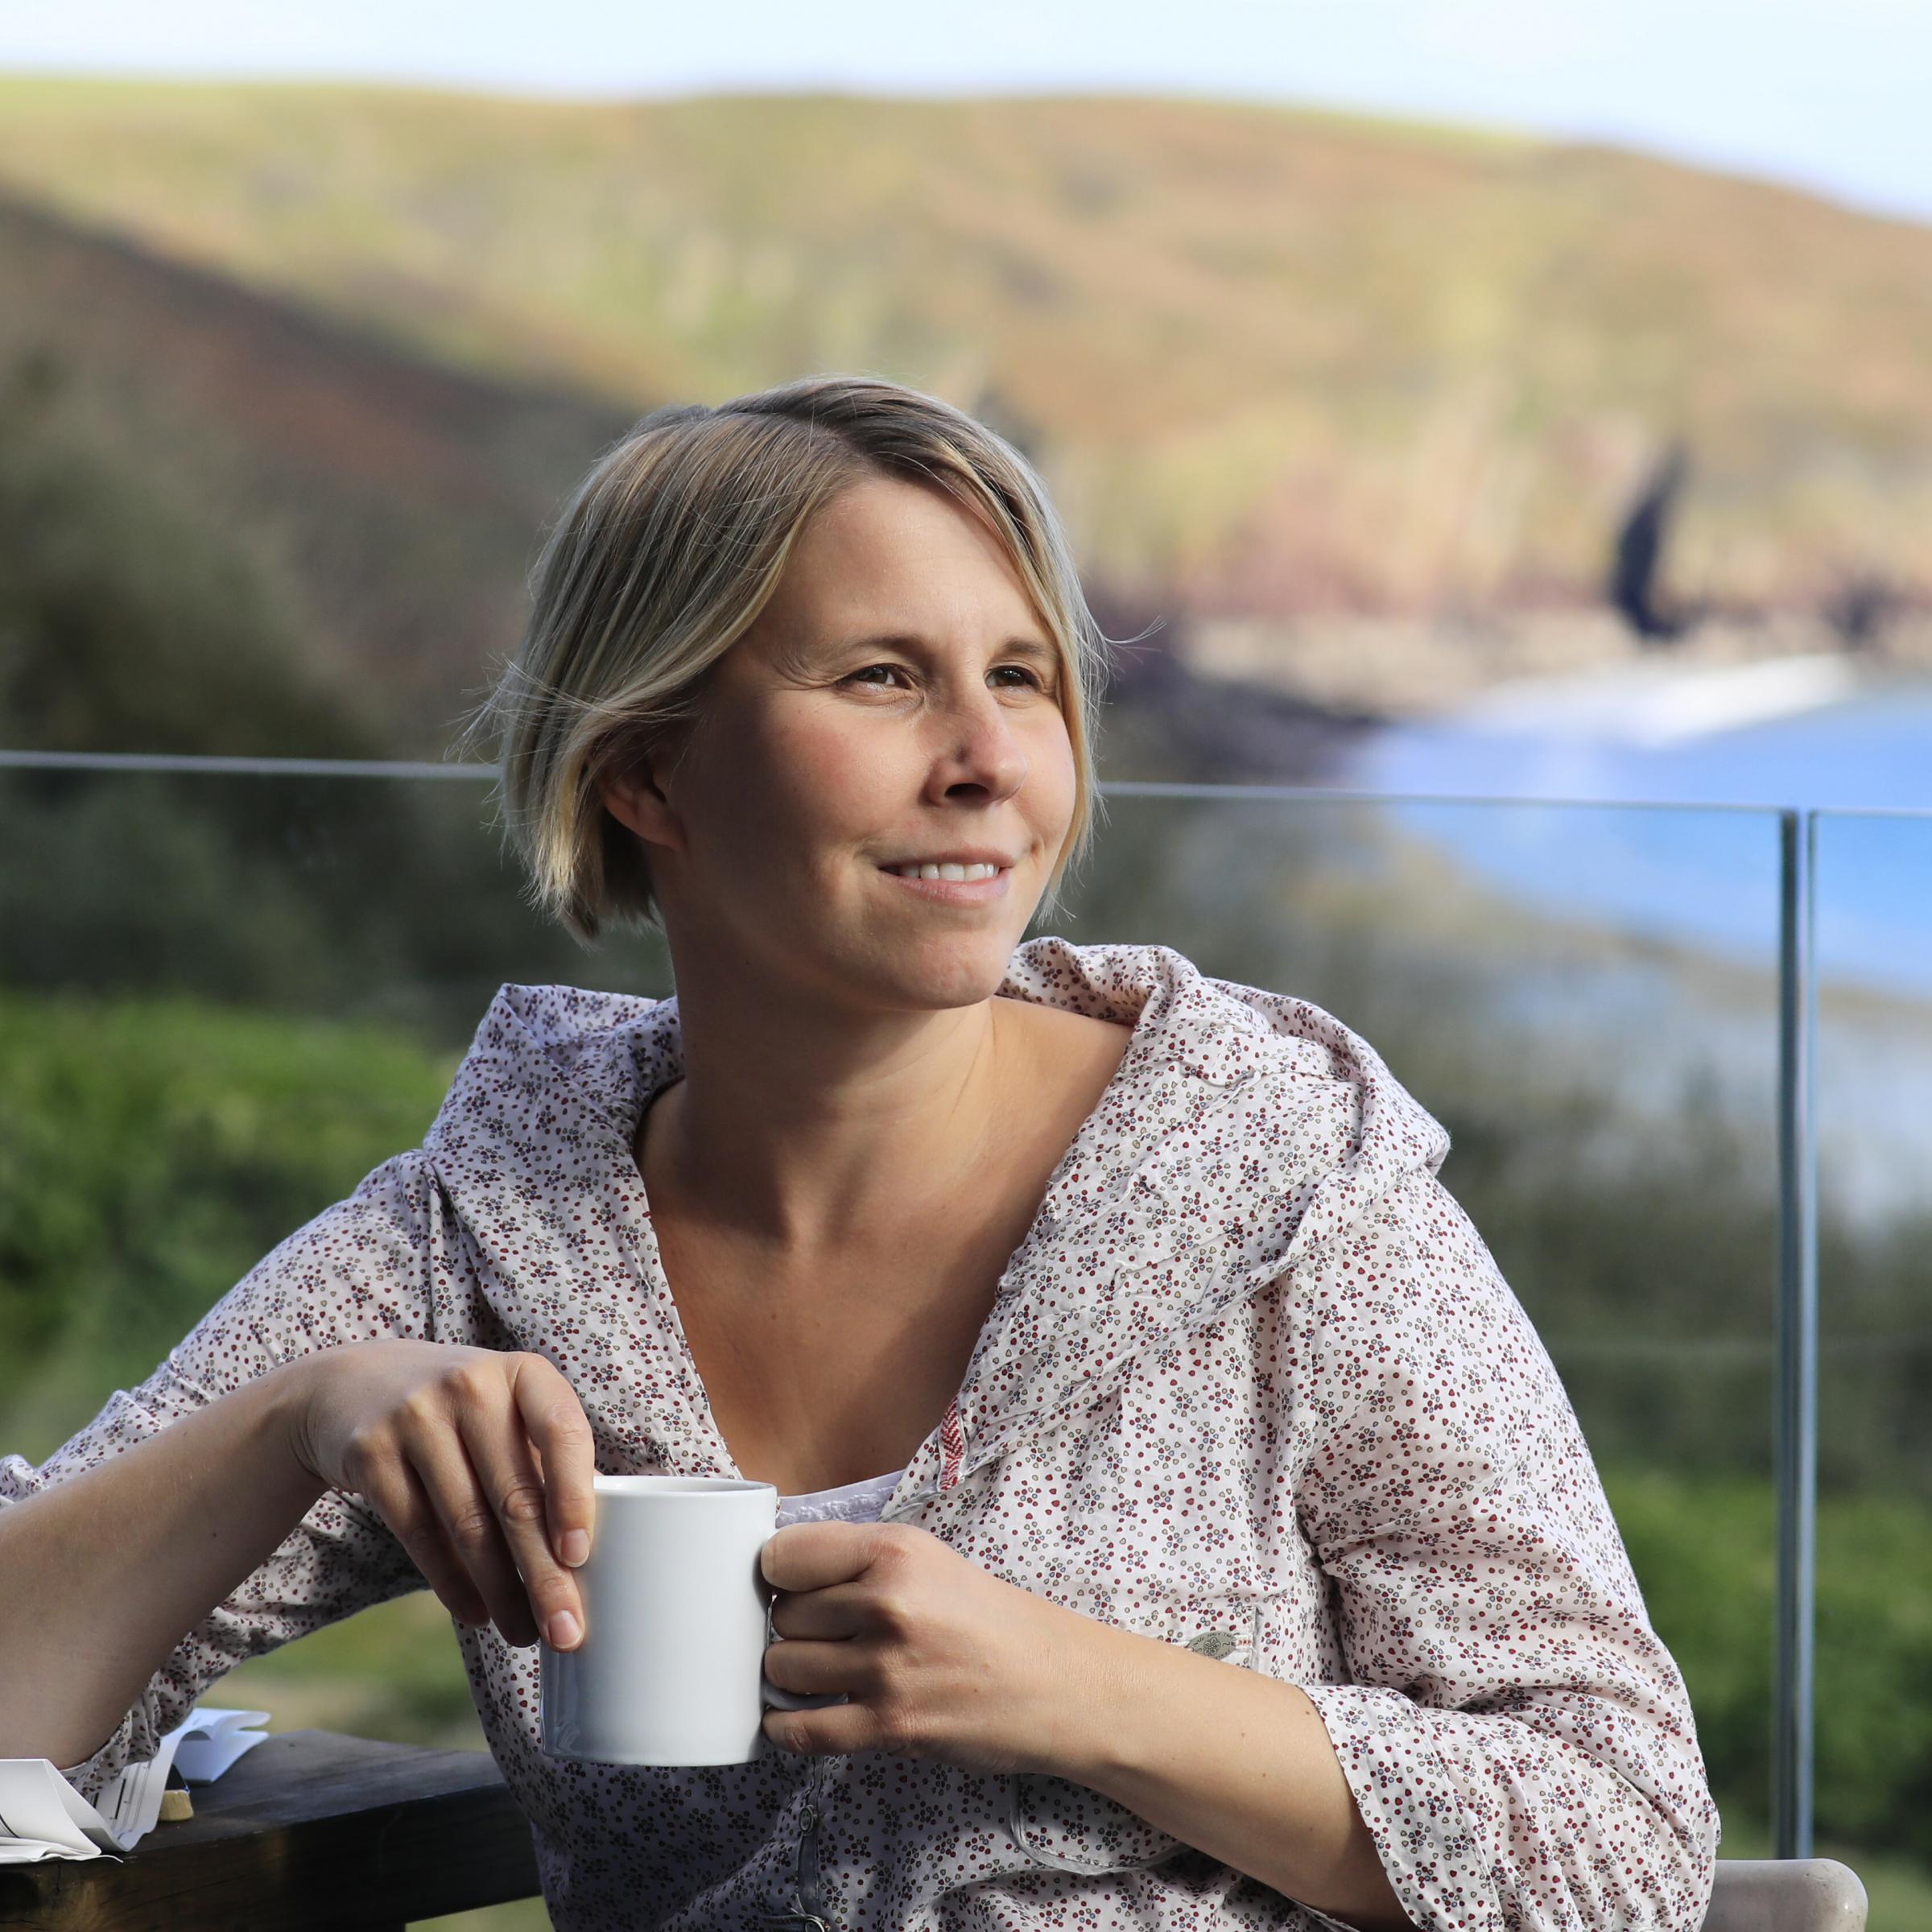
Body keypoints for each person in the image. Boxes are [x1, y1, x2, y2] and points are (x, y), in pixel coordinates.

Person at [0, 375, 1719, 1932]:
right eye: (887, 679)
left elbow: (1626, 1844)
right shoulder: (478, 1241)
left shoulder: (1281, 1187)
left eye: (1022, 680)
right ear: (650, 776)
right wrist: (297, 1423)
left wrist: (1073, 1687)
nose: (987, 766)